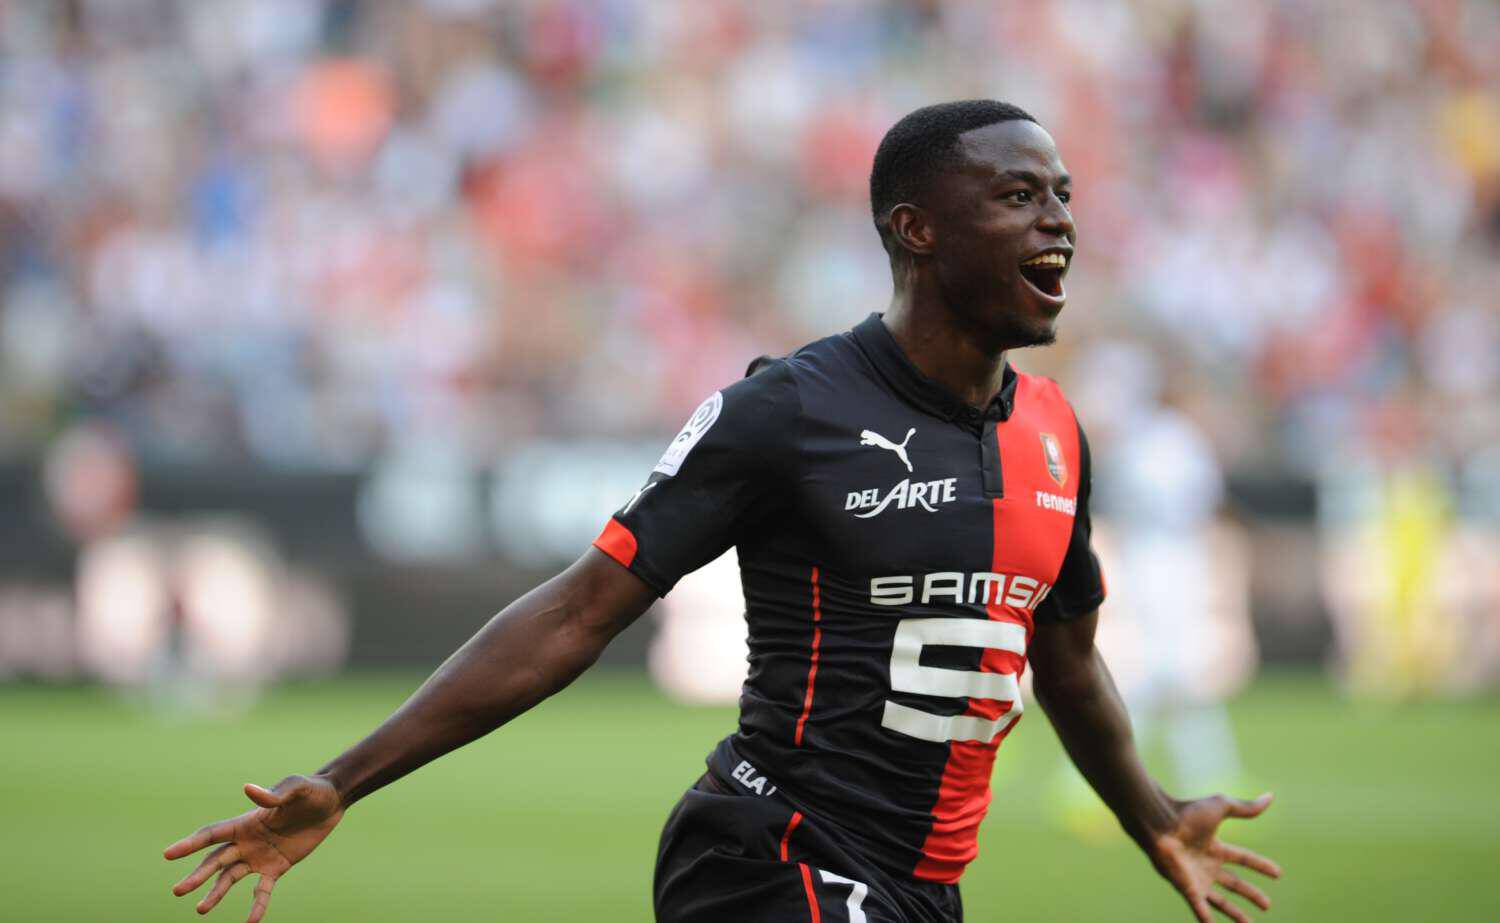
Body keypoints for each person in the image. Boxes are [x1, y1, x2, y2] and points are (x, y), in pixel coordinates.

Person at [163, 101, 1281, 923]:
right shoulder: (789, 407)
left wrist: (1150, 811)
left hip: (920, 889)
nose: (1060, 224)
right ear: (917, 230)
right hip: (770, 857)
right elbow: (577, 613)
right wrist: (344, 778)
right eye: (1019, 196)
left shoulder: (1055, 430)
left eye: (1065, 197)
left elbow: (1070, 660)